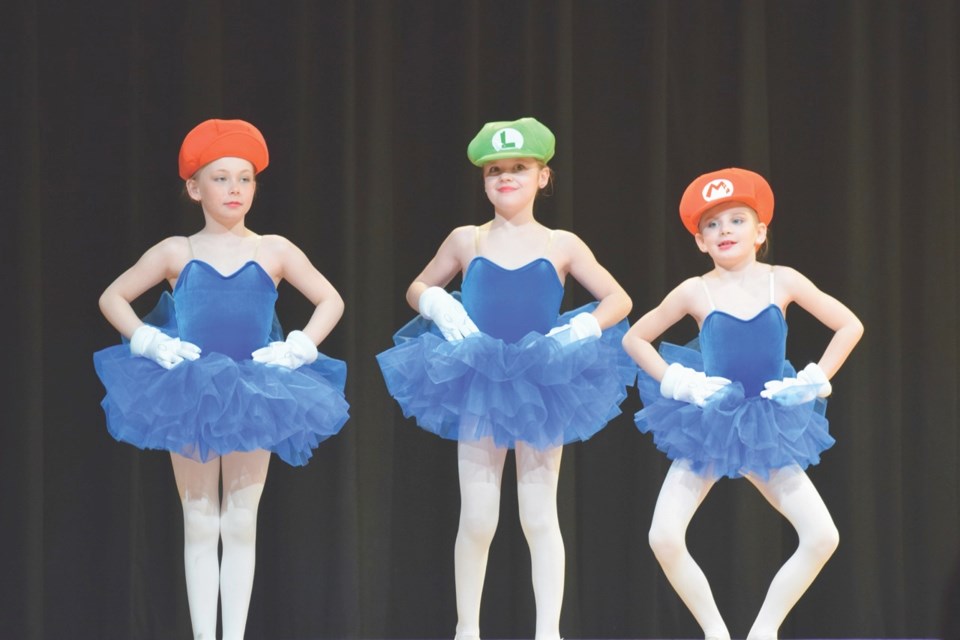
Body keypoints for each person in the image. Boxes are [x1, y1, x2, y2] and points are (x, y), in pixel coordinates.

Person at [376, 117, 633, 640]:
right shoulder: (466, 239)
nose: (506, 178)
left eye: (519, 167)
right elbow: (418, 285)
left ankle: (548, 633)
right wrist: (442, 311)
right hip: (478, 379)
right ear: (483, 180)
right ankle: (466, 629)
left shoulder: (563, 243)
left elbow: (619, 299)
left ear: (543, 176)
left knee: (540, 517)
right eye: (495, 170)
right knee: (478, 517)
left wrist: (576, 331)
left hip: (542, 382)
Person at [94, 119, 350, 640]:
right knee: (198, 518)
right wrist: (149, 340)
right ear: (194, 188)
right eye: (220, 178)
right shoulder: (176, 252)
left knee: (239, 521)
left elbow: (331, 299)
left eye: (245, 179)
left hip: (256, 391)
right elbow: (112, 297)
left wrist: (300, 346)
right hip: (188, 390)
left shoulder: (274, 248)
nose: (235, 189)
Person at [622, 167, 863, 640]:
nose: (724, 230)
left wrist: (815, 378)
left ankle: (763, 632)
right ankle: (715, 632)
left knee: (822, 537)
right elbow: (635, 338)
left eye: (736, 219)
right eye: (711, 224)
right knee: (664, 537)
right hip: (711, 421)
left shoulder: (783, 280)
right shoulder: (696, 290)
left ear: (761, 231)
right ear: (699, 241)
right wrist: (678, 381)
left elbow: (849, 325)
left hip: (768, 421)